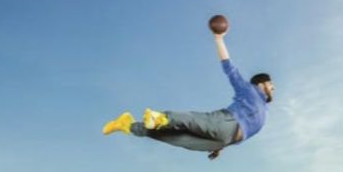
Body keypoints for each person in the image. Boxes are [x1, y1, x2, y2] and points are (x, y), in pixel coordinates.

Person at [101, 26, 274, 160]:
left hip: (223, 140)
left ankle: (127, 125)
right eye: (271, 84)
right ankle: (161, 117)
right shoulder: (248, 90)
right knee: (192, 120)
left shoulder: (265, 110)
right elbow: (229, 68)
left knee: (177, 138)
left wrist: (220, 147)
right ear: (261, 84)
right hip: (226, 122)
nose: (273, 87)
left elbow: (244, 132)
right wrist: (218, 38)